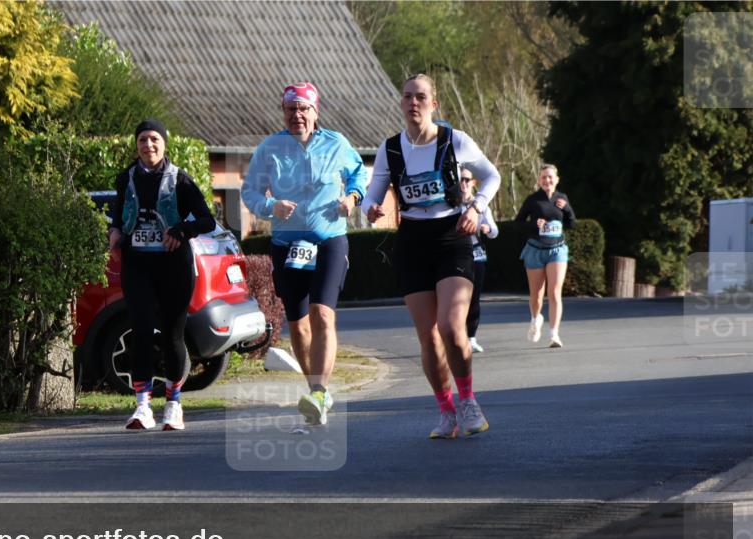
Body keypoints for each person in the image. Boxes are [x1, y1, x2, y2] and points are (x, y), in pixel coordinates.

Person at [362, 74, 500, 439]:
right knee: (428, 335)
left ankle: (468, 400)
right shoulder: (390, 148)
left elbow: (493, 176)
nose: (413, 103)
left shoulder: (454, 140)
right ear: (401, 103)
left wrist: (477, 208)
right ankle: (446, 411)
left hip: (452, 234)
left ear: (433, 104)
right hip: (412, 240)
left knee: (453, 328)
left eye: (421, 97)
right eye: (407, 97)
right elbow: (372, 194)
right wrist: (371, 208)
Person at [241, 82, 366, 426]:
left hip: (329, 240)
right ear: (283, 113)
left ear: (315, 112)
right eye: (290, 109)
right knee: (298, 326)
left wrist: (352, 197)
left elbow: (359, 174)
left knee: (322, 314)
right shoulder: (270, 148)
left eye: (303, 108)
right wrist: (270, 206)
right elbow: (249, 190)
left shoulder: (336, 143)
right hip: (288, 246)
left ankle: (320, 393)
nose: (297, 115)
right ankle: (315, 390)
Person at [108, 119, 216, 430]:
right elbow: (118, 215)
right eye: (143, 140)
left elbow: (206, 220)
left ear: (164, 144)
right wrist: (115, 232)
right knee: (140, 330)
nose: (148, 145)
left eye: (154, 139)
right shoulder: (125, 178)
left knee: (172, 334)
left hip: (173, 266)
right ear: (136, 145)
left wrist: (182, 229)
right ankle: (142, 407)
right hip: (137, 265)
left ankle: (173, 404)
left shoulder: (180, 179)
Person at [514, 164, 576, 348]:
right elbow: (518, 223)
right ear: (539, 180)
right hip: (535, 250)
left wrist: (567, 210)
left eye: (550, 177)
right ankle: (535, 319)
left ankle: (554, 334)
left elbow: (572, 223)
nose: (547, 180)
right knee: (536, 295)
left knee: (555, 292)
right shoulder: (533, 200)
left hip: (557, 250)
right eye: (543, 177)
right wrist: (534, 224)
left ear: (557, 179)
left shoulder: (562, 199)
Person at [460, 167, 499, 353]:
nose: (463, 184)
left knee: (474, 298)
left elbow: (495, 232)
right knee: (457, 299)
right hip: (457, 255)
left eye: (467, 180)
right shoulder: (449, 206)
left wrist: (486, 229)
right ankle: (457, 337)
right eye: (460, 180)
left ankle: (471, 337)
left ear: (473, 183)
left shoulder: (481, 205)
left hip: (477, 254)